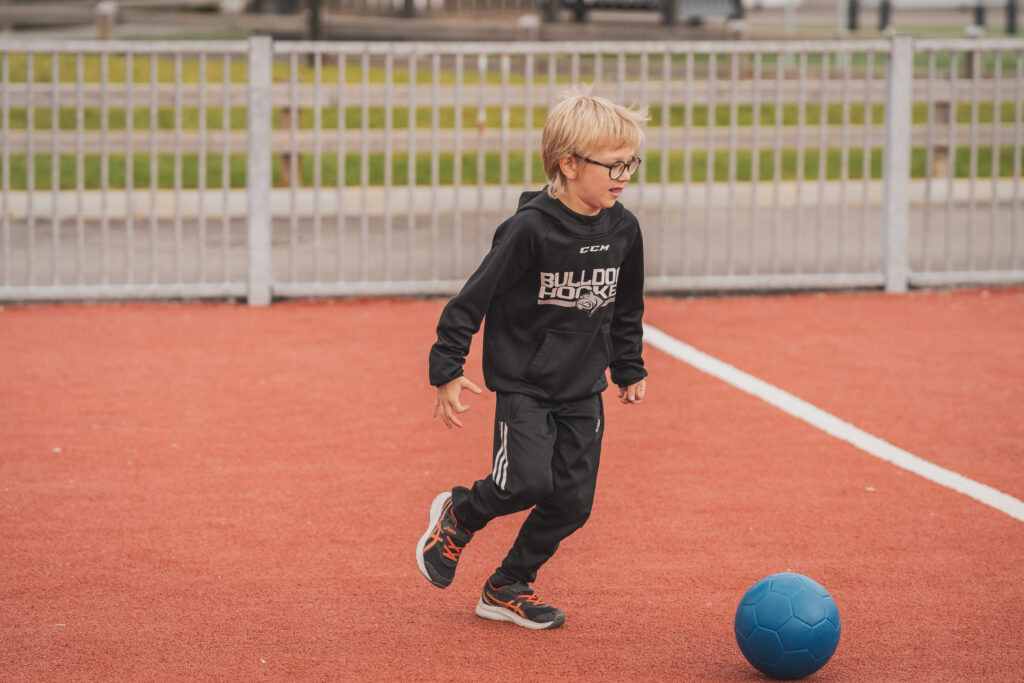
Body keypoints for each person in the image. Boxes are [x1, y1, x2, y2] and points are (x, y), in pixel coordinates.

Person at [416, 86, 649, 630]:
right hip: (526, 382)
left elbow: (627, 304)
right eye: (613, 164)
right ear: (569, 164)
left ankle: (507, 586)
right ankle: (459, 514)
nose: (625, 175)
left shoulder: (624, 228)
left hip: (582, 387)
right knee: (523, 483)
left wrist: (629, 365)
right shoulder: (529, 229)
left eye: (631, 163)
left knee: (572, 502)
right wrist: (447, 367)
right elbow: (471, 299)